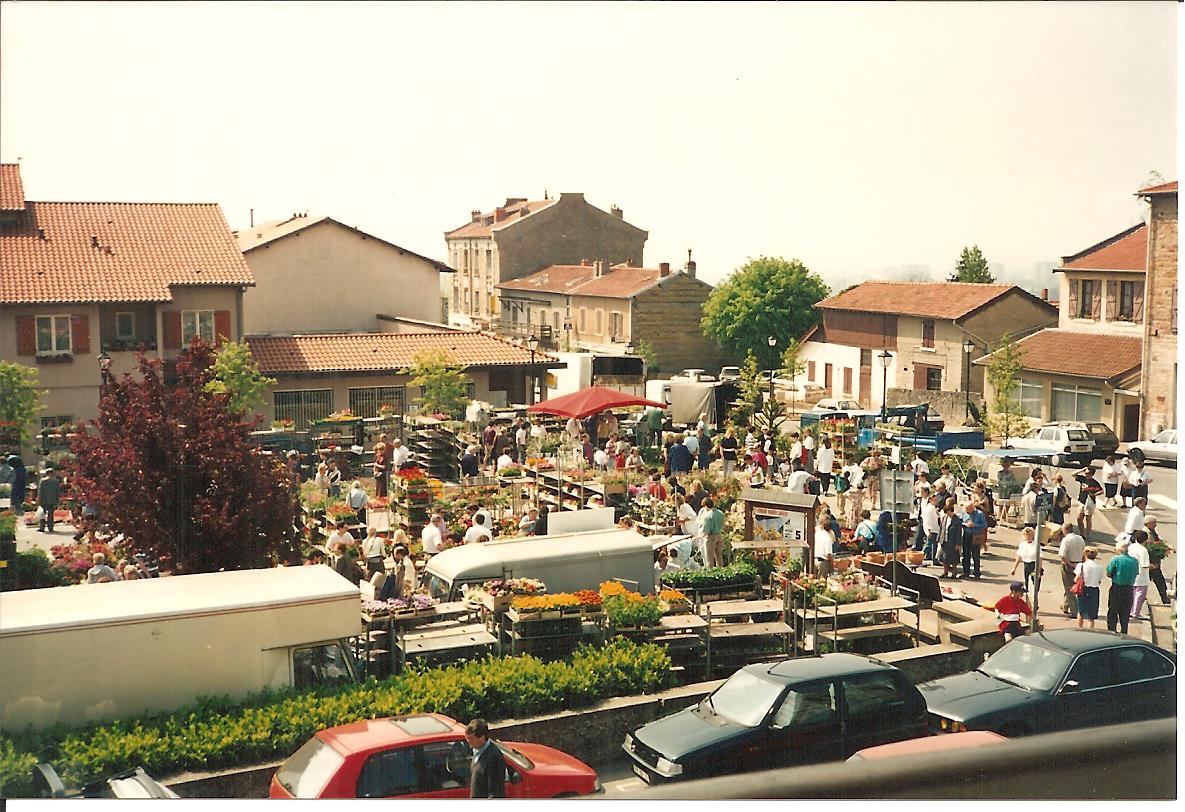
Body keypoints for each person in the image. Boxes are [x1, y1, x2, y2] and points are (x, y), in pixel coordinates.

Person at [466, 718, 507, 798]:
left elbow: (495, 794)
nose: (468, 741)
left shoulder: (494, 758)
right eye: (467, 738)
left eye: (471, 738)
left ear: (482, 737)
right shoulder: (476, 751)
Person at [1105, 540, 1139, 634]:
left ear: (1119, 550)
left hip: (1117, 587)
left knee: (1113, 610)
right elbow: (1136, 573)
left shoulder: (1116, 559)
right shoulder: (1134, 561)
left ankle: (1112, 630)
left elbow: (1109, 573)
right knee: (1125, 612)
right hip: (1129, 588)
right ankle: (1124, 630)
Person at [1057, 522, 1086, 617]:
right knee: (1072, 585)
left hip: (1069, 564)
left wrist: (1070, 564)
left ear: (1065, 530)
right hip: (1079, 562)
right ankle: (1065, 605)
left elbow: (1062, 555)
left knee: (1069, 587)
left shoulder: (1066, 539)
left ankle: (1074, 611)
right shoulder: (1080, 538)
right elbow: (1084, 553)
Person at [1144, 517, 1172, 605]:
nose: (1155, 525)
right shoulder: (1146, 533)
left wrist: (1166, 546)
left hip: (1154, 560)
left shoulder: (1152, 531)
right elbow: (1149, 545)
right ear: (1148, 523)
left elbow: (1158, 540)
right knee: (1159, 580)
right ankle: (1165, 598)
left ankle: (1165, 598)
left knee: (1159, 580)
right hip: (1150, 561)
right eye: (1153, 523)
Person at [1127, 529, 1152, 622]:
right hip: (1141, 576)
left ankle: (1129, 611)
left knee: (1131, 595)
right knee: (1139, 595)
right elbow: (1145, 564)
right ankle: (1135, 613)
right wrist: (1153, 566)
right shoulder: (1143, 550)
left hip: (1131, 574)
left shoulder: (1131, 547)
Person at [961, 500, 988, 579]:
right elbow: (961, 521)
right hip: (966, 535)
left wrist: (974, 525)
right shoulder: (964, 513)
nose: (967, 512)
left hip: (975, 536)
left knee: (976, 555)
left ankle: (977, 573)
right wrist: (965, 524)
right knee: (966, 555)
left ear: (972, 508)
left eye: (968, 510)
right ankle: (966, 572)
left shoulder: (979, 514)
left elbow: (984, 525)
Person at [1010, 526, 1041, 595]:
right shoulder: (1022, 544)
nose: (1028, 536)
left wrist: (1038, 570)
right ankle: (1028, 602)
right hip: (1026, 565)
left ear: (1033, 535)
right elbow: (1019, 556)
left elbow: (1040, 558)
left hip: (1035, 565)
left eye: (1030, 534)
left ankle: (1035, 601)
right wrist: (1014, 568)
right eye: (1026, 535)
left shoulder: (1036, 544)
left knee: (1035, 585)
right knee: (1027, 585)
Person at [1074, 466, 1102, 538]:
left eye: (1088, 473)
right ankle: (1082, 533)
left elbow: (1101, 491)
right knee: (1079, 518)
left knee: (1088, 518)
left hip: (1090, 502)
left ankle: (1087, 534)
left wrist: (1094, 494)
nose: (1086, 474)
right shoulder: (1083, 479)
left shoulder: (1094, 482)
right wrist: (1082, 469)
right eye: (1085, 473)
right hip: (1082, 501)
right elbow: (1073, 474)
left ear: (1091, 474)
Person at [698, 497, 725, 568]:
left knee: (709, 558)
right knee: (719, 556)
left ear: (706, 506)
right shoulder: (720, 513)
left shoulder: (708, 516)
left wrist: (700, 535)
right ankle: (721, 572)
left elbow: (706, 529)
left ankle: (711, 574)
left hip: (711, 537)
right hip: (719, 535)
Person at [937, 504, 962, 579]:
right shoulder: (944, 518)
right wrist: (939, 538)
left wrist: (958, 543)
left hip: (953, 541)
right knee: (944, 558)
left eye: (948, 512)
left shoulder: (957, 520)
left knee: (953, 558)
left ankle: (954, 573)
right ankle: (945, 572)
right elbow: (941, 528)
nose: (947, 514)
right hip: (944, 540)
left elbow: (959, 533)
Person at [36, 466, 61, 532]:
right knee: (50, 514)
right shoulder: (56, 481)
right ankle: (50, 527)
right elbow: (57, 492)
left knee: (42, 514)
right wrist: (57, 500)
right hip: (52, 500)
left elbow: (40, 491)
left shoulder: (43, 481)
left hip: (43, 499)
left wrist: (38, 499)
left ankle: (42, 527)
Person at [918, 492, 941, 562]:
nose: (936, 502)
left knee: (932, 545)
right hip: (932, 529)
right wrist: (929, 530)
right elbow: (928, 520)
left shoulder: (932, 508)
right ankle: (921, 556)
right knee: (930, 545)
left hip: (934, 528)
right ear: (930, 500)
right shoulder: (929, 509)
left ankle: (932, 557)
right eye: (935, 500)